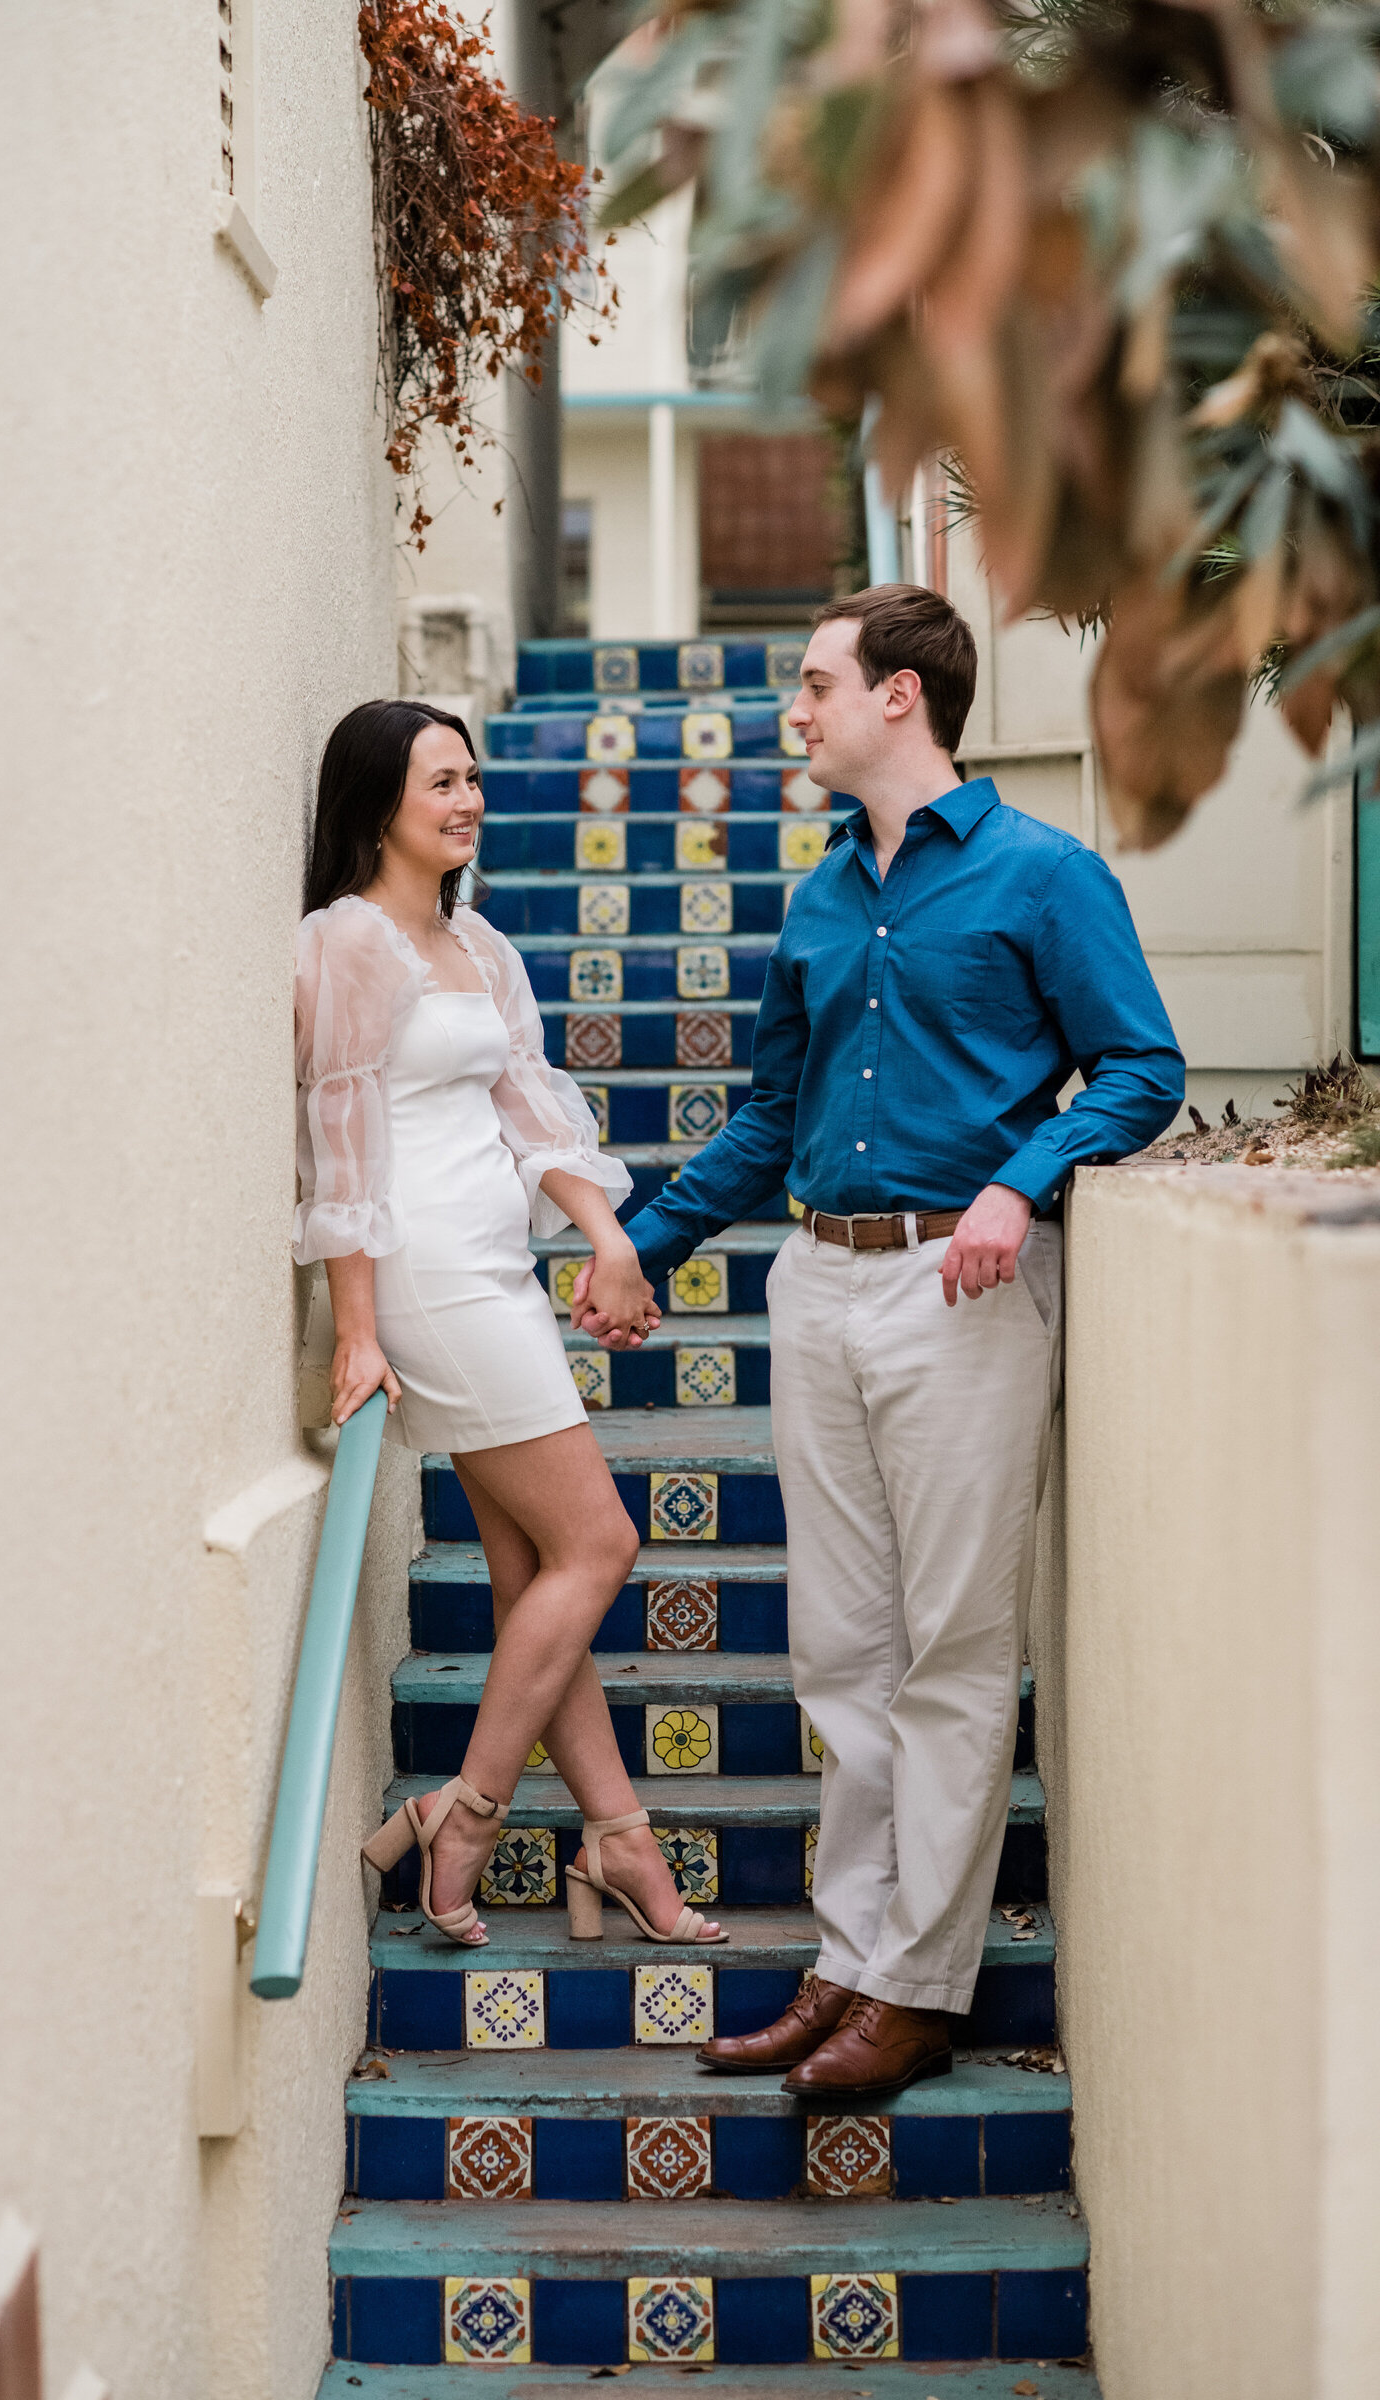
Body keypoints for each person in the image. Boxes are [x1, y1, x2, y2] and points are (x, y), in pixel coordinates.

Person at [573, 587, 1185, 2095]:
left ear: (903, 697)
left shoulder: (1045, 876)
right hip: (821, 1283)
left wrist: (1015, 1182)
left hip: (959, 1289)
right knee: (843, 1648)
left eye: (815, 683)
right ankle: (849, 1965)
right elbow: (775, 1117)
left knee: (954, 1654)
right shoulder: (825, 893)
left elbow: (1142, 1068)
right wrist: (642, 1242)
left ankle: (920, 1985)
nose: (796, 709)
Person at [294, 698, 724, 1949]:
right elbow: (343, 1154)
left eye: (473, 779)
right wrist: (356, 1328)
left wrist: (604, 1235)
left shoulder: (476, 943)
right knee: (599, 1543)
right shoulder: (347, 943)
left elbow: (536, 1113)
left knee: (535, 1574)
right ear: (379, 801)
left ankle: (619, 1839)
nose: (468, 800)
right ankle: (465, 1816)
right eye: (441, 782)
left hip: (499, 1266)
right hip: (426, 1275)